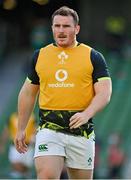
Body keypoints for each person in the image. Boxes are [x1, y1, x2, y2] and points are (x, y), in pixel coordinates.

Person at [14, 6, 112, 179]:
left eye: (66, 26)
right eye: (57, 26)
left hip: (81, 130)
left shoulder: (93, 56)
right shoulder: (40, 56)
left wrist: (86, 113)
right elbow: (28, 93)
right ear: (52, 28)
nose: (61, 30)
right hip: (49, 128)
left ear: (77, 28)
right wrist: (21, 128)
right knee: (47, 175)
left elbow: (105, 93)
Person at [0, 112, 36, 179]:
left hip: (28, 146)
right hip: (16, 146)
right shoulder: (12, 117)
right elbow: (6, 131)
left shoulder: (31, 117)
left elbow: (34, 130)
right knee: (17, 167)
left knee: (26, 168)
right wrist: (2, 144)